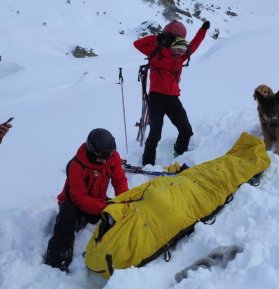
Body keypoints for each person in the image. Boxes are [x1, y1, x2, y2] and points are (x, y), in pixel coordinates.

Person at [45, 128, 129, 272]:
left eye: (111, 152)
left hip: (96, 201)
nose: (108, 157)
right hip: (73, 202)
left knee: (116, 216)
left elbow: (119, 180)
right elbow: (78, 197)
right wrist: (103, 207)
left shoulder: (111, 157)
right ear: (92, 152)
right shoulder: (76, 166)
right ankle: (59, 258)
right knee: (67, 218)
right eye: (104, 154)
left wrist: (124, 202)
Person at [133, 20, 211, 166]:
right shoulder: (155, 52)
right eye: (179, 46)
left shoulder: (181, 57)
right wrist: (158, 37)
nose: (183, 51)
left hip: (173, 98)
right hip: (156, 98)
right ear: (171, 41)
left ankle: (179, 154)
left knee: (186, 130)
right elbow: (137, 44)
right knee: (155, 133)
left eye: (183, 47)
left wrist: (203, 30)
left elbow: (194, 45)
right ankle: (148, 164)